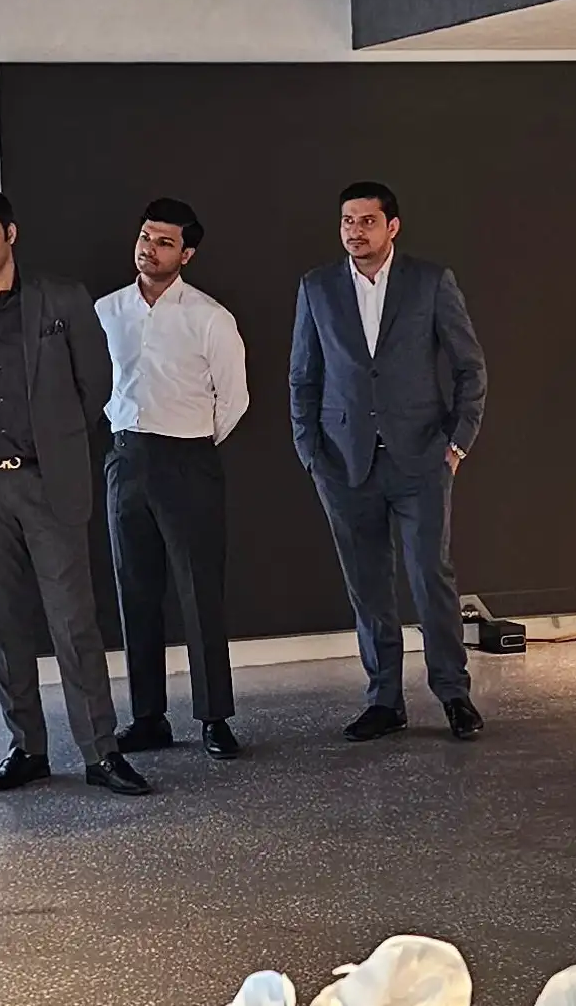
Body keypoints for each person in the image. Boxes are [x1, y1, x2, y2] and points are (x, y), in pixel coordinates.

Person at [0, 186, 151, 796]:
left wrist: (54, 444)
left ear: (10, 234)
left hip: (51, 483)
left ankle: (101, 752)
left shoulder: (63, 299)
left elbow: (95, 382)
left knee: (74, 622)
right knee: (7, 626)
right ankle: (26, 747)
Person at [289, 181, 488, 742]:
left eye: (367, 221)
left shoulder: (430, 282)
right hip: (344, 462)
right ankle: (384, 699)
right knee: (368, 586)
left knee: (431, 579)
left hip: (421, 456)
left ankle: (454, 694)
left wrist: (457, 444)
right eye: (348, 221)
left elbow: (471, 367)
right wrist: (310, 452)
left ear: (392, 227)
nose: (355, 230)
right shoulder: (317, 288)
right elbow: (303, 376)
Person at [97, 198, 250, 760]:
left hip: (188, 459)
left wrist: (191, 442)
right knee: (134, 591)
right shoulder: (107, 311)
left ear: (186, 253)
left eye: (164, 242)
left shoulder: (209, 316)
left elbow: (234, 400)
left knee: (198, 591)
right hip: (125, 458)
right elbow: (94, 386)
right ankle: (148, 718)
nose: (149, 249)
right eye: (144, 236)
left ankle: (213, 717)